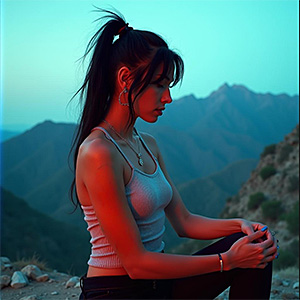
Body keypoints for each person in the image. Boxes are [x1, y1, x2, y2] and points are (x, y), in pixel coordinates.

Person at [70, 8, 279, 299]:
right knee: (241, 256)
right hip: (116, 291)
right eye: (159, 85)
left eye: (168, 86)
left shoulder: (148, 144)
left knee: (256, 248)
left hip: (160, 285)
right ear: (126, 79)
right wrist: (227, 261)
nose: (167, 97)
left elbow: (184, 221)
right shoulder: (99, 152)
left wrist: (242, 226)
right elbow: (135, 264)